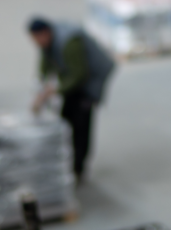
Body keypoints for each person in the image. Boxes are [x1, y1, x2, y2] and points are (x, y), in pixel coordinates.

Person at [29, 17, 115, 180]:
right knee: (66, 120)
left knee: (81, 124)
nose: (37, 42)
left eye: (38, 38)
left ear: (46, 32)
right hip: (75, 80)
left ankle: (78, 169)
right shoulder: (46, 42)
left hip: (90, 79)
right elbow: (45, 65)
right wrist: (40, 91)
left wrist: (54, 90)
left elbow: (79, 74)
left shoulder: (70, 43)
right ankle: (66, 163)